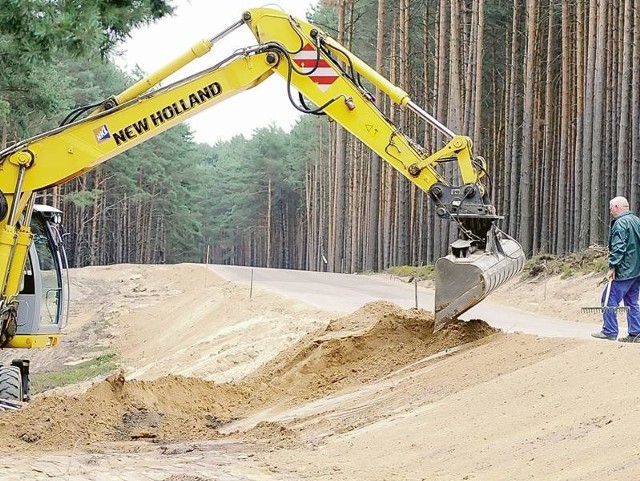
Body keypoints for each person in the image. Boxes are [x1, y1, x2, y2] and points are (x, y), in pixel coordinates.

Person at [592, 196, 640, 342]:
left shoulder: (620, 223)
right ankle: (636, 334)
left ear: (618, 207)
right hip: (637, 271)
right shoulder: (637, 221)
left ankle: (610, 331)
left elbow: (619, 247)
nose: (610, 211)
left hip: (624, 271)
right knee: (632, 302)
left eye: (611, 208)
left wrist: (613, 266)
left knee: (608, 299)